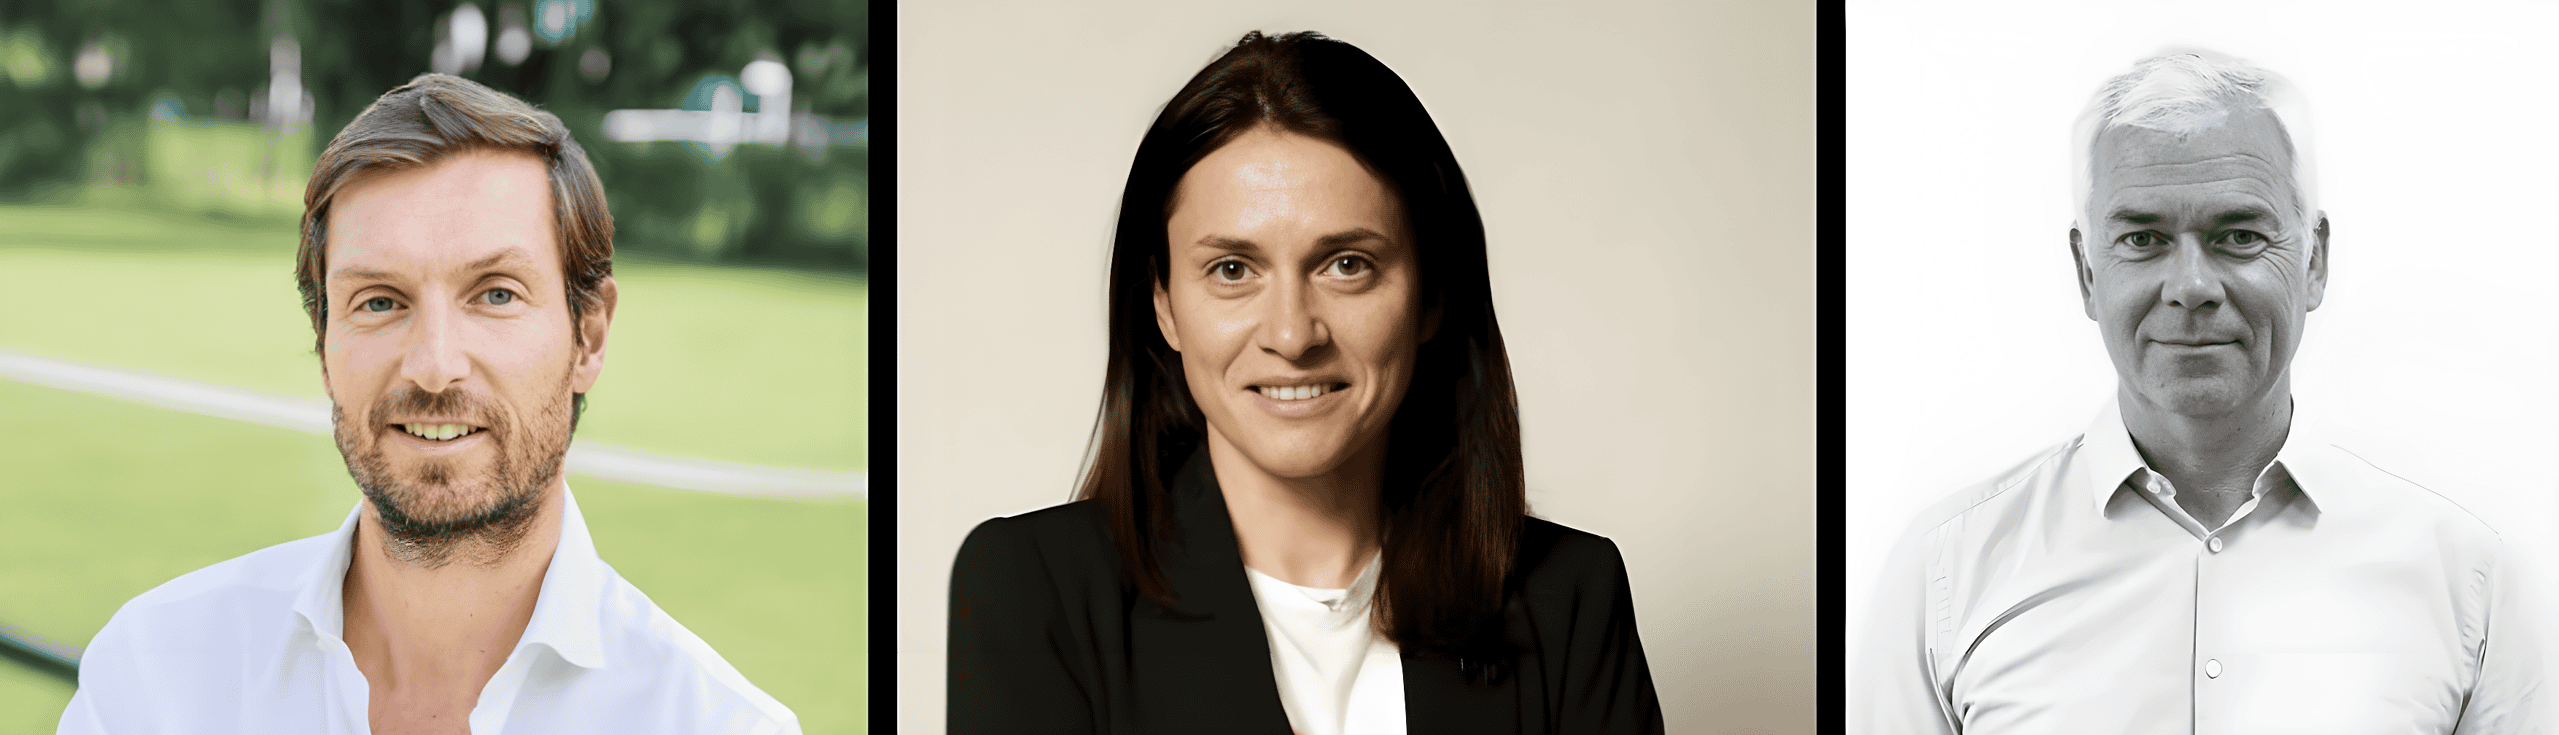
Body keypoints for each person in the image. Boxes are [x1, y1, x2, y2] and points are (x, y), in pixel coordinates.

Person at [946, 31, 1663, 735]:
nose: (1292, 335)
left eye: (1347, 264)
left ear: (1431, 296)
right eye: (1232, 270)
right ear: (1163, 303)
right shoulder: (1036, 591)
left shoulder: (1569, 595)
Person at [59, 74, 798, 734]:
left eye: (496, 294)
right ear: (323, 343)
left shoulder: (717, 724)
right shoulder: (154, 679)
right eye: (380, 301)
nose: (435, 366)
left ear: (589, 336)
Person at [1850, 50, 2544, 733]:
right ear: (2086, 272)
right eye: (2142, 239)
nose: (2190, 287)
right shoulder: (1945, 572)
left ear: (2314, 261)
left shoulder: (2466, 574)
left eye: (2238, 235)